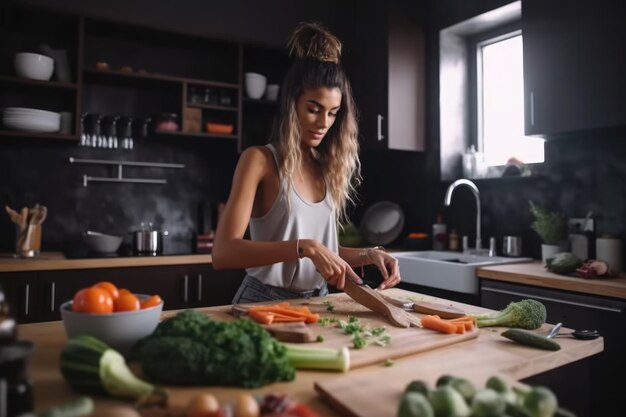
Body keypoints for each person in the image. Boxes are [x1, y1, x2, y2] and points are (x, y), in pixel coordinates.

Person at [212, 22, 401, 304]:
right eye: (313, 109)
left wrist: (368, 254)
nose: (323, 123)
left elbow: (322, 251)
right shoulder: (259, 160)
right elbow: (224, 253)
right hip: (263, 299)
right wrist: (304, 247)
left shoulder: (328, 166)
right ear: (292, 104)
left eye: (332, 113)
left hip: (318, 301)